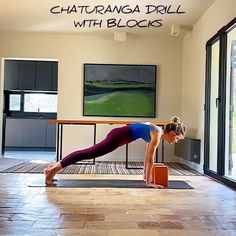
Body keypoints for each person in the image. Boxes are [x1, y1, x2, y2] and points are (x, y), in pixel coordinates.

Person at [44, 116, 186, 187]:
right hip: (119, 137)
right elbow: (150, 159)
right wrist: (149, 183)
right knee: (88, 153)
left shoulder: (158, 131)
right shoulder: (157, 134)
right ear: (173, 133)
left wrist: (145, 179)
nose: (177, 141)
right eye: (178, 138)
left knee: (89, 152)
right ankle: (54, 169)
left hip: (119, 135)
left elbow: (147, 157)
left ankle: (53, 169)